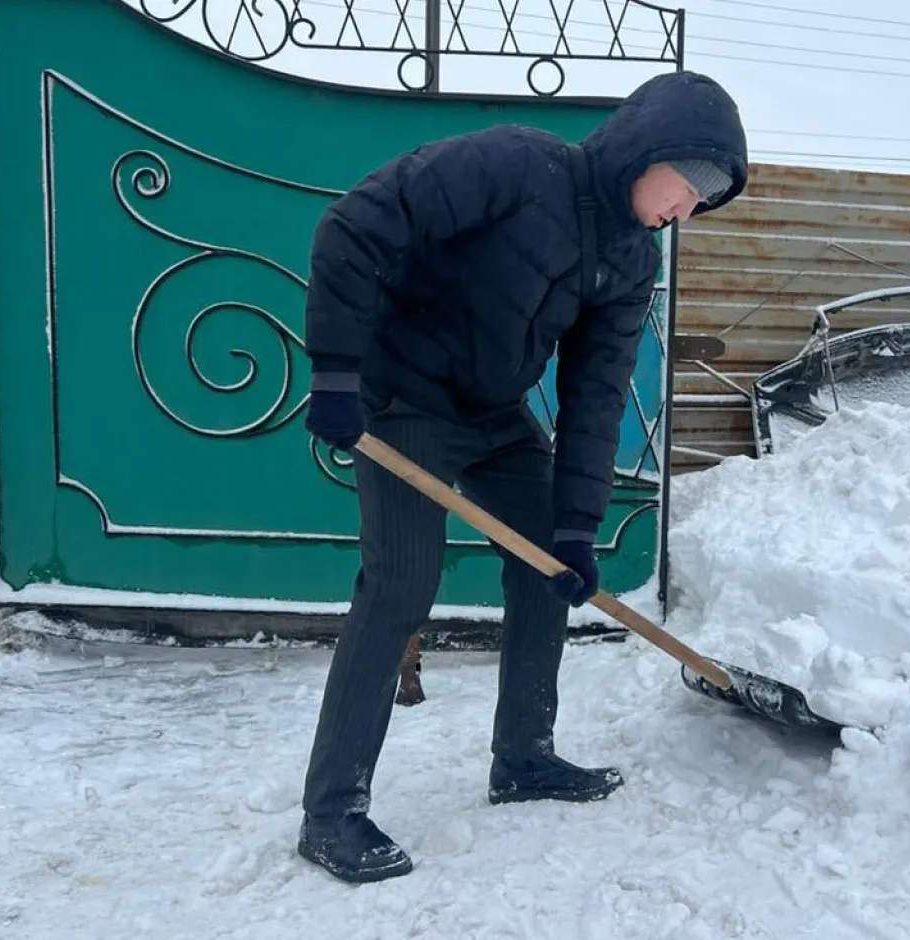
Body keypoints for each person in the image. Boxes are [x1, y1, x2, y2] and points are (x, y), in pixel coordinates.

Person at [295, 70, 748, 884]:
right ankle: (332, 811)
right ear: (648, 149)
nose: (688, 210)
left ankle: (524, 758)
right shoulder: (514, 165)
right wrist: (334, 371)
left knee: (548, 564)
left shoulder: (630, 257)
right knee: (401, 583)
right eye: (688, 184)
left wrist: (576, 525)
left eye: (703, 201)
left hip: (492, 412)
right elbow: (356, 227)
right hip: (403, 396)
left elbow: (595, 395)